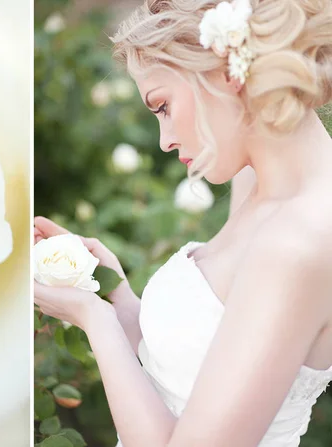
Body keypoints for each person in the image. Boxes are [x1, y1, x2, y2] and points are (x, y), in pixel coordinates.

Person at [33, 0, 332, 446]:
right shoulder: (257, 184)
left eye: (163, 106)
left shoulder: (301, 239)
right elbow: (186, 370)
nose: (165, 140)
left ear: (224, 73)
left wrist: (95, 321)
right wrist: (111, 295)